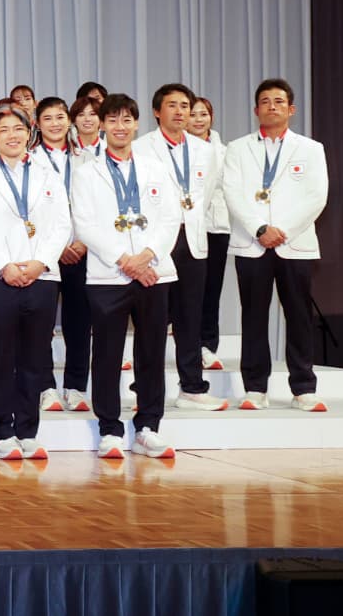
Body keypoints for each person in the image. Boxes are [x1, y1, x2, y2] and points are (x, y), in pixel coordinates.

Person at [70, 93, 178, 458]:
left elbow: (170, 218)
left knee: (151, 353)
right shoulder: (86, 173)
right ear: (102, 125)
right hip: (108, 276)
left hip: (153, 274)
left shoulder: (155, 168)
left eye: (127, 120)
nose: (120, 126)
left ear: (137, 124)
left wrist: (147, 257)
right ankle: (110, 429)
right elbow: (85, 224)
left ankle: (148, 427)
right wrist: (125, 260)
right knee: (107, 355)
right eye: (113, 120)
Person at [0, 108, 70, 462]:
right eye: (3, 129)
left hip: (41, 276)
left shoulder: (48, 175)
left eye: (18, 128)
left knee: (34, 358)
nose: (12, 135)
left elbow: (62, 225)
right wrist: (4, 266)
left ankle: (28, 431)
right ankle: (2, 432)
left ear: (29, 133)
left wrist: (40, 263)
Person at [222, 78, 329, 411]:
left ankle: (303, 388)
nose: (272, 106)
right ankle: (255, 388)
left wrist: (282, 230)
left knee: (299, 315)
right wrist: (259, 229)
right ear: (256, 110)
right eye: (265, 101)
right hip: (252, 243)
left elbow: (317, 196)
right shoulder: (238, 148)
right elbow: (232, 192)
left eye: (279, 101)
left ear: (291, 109)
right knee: (253, 316)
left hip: (294, 243)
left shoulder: (311, 149)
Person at [135, 84, 222, 410]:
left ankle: (192, 388)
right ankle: (145, 389)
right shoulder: (141, 148)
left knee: (190, 317)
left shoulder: (204, 149)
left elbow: (206, 192)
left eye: (185, 105)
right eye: (172, 105)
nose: (180, 111)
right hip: (157, 242)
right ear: (157, 112)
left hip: (192, 240)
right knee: (151, 320)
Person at [34, 96, 91, 415]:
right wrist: (54, 248)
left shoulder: (88, 158)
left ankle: (76, 387)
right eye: (48, 118)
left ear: (69, 121)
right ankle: (45, 387)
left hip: (82, 251)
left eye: (60, 117)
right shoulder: (29, 160)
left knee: (79, 322)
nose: (55, 124)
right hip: (43, 254)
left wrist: (82, 241)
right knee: (41, 324)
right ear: (37, 124)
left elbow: (96, 206)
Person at [188, 96, 232, 367]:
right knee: (183, 290)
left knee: (210, 289)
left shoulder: (226, 152)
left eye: (203, 114)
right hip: (184, 227)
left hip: (215, 227)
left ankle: (207, 345)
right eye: (193, 114)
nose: (198, 119)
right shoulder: (177, 150)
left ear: (211, 118)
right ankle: (185, 341)